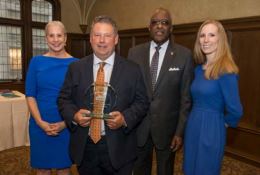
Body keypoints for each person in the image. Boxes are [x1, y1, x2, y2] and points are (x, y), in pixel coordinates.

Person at [57, 15, 149, 175]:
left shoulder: (132, 69)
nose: (102, 40)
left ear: (116, 39)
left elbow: (142, 102)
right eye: (97, 35)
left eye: (107, 35)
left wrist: (125, 118)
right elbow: (63, 99)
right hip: (85, 147)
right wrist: (74, 115)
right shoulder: (75, 68)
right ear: (91, 39)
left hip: (120, 147)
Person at [128, 7, 194, 175]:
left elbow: (186, 98)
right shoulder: (134, 53)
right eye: (155, 22)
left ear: (171, 28)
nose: (159, 26)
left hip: (168, 130)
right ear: (149, 27)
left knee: (165, 170)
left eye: (164, 22)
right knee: (140, 170)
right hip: (139, 127)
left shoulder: (184, 55)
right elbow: (129, 92)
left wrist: (179, 132)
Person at [183, 19, 243, 175]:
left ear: (220, 39)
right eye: (202, 36)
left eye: (211, 35)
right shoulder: (198, 70)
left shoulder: (226, 71)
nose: (206, 40)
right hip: (193, 126)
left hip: (211, 129)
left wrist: (221, 125)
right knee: (190, 168)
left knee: (205, 170)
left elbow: (236, 110)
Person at [25, 21, 78, 175]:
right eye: (51, 35)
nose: (55, 39)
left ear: (66, 37)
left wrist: (65, 123)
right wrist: (40, 122)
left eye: (59, 35)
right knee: (42, 169)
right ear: (46, 38)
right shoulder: (36, 62)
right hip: (39, 122)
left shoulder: (76, 64)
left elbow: (77, 99)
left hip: (66, 124)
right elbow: (30, 94)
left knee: (64, 169)